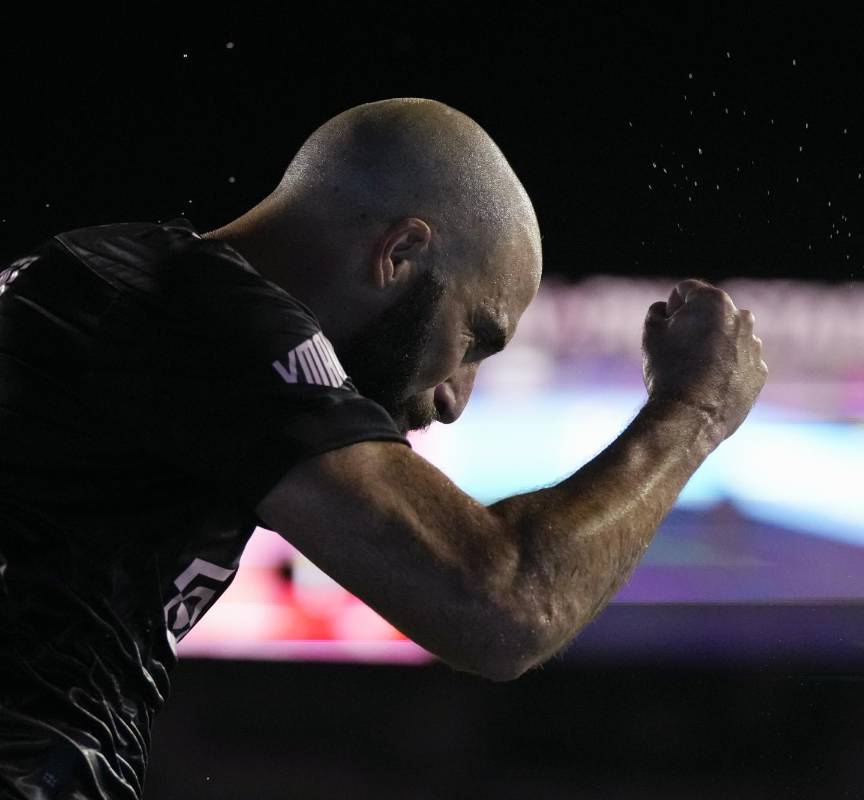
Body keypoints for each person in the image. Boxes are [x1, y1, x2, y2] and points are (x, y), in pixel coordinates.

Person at [0, 98, 767, 799]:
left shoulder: (124, 287)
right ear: (398, 252)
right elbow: (505, 604)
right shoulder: (200, 314)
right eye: (474, 339)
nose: (454, 399)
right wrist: (694, 410)